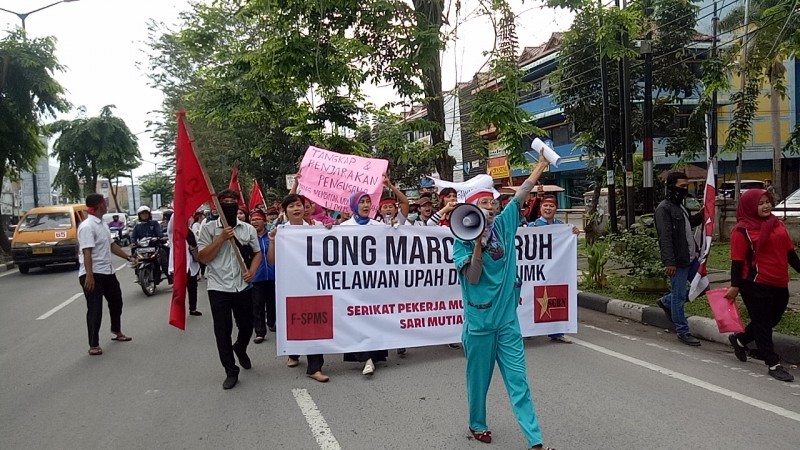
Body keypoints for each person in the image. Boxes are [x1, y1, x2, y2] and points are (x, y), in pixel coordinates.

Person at [453, 159, 554, 450]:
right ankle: (477, 423)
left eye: (491, 202)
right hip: (480, 323)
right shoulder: (460, 240)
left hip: (507, 320)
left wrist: (540, 166)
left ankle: (535, 442)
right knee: (479, 382)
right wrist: (477, 246)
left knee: (518, 382)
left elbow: (522, 192)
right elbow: (472, 278)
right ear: (471, 210)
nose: (489, 206)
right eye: (482, 202)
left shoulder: (506, 223)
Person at [725, 189, 797, 382]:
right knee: (764, 323)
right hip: (754, 283)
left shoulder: (777, 224)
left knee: (772, 318)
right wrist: (735, 286)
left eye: (768, 201)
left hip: (779, 280)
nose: (766, 206)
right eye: (760, 203)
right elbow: (737, 262)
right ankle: (773, 363)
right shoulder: (742, 230)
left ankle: (740, 340)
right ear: (750, 206)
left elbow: (790, 253)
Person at [197, 189, 263, 390]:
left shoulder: (248, 229)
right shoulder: (207, 229)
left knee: (246, 325)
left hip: (242, 286)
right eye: (224, 201)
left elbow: (257, 253)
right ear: (217, 205)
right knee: (222, 331)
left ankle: (240, 348)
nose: (229, 204)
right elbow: (203, 257)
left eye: (232, 201)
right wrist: (221, 239)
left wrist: (251, 271)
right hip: (218, 287)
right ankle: (230, 370)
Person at [267, 194, 329, 382]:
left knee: (316, 322)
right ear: (285, 211)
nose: (296, 209)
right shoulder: (281, 231)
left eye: (299, 205)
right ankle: (294, 353)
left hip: (314, 283)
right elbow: (272, 261)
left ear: (305, 208)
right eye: (291, 206)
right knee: (295, 320)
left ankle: (314, 367)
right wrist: (272, 241)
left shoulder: (316, 228)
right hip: (291, 285)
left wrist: (330, 230)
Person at [78, 194, 136, 356]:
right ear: (99, 205)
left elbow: (111, 246)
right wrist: (89, 276)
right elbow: (87, 252)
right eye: (104, 203)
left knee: (117, 301)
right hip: (92, 274)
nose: (106, 205)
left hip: (107, 272)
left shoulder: (102, 224)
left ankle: (116, 331)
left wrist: (128, 257)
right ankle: (94, 344)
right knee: (95, 309)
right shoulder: (87, 226)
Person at [340, 191, 389, 374]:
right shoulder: (344, 227)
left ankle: (374, 355)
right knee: (357, 318)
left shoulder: (379, 226)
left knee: (374, 317)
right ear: (354, 205)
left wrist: (394, 229)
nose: (366, 205)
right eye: (362, 202)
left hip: (375, 282)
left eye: (368, 202)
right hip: (353, 283)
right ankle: (365, 357)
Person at [654, 172, 704, 346]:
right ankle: (682, 330)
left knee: (703, 286)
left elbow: (689, 224)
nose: (685, 190)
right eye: (682, 186)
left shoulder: (681, 207)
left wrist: (703, 214)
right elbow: (665, 238)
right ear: (671, 186)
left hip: (690, 258)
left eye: (686, 186)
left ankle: (666, 301)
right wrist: (670, 262)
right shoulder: (663, 209)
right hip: (678, 261)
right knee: (680, 297)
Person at [529, 195, 580, 344]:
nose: (548, 209)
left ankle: (557, 332)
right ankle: (527, 329)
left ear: (556, 209)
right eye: (545, 206)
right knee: (530, 298)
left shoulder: (562, 227)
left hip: (554, 270)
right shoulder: (532, 227)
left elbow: (567, 245)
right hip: (536, 270)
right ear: (541, 208)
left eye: (551, 206)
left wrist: (573, 233)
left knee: (554, 299)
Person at [250, 209, 277, 343]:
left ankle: (271, 322)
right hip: (257, 277)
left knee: (272, 302)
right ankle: (260, 331)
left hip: (273, 275)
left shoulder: (272, 235)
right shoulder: (249, 238)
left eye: (257, 219)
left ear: (264, 221)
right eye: (253, 220)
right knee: (258, 305)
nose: (255, 222)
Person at [131, 206, 169, 283]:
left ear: (149, 214)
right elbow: (133, 237)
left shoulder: (154, 223)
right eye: (142, 214)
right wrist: (133, 242)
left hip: (154, 246)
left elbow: (159, 232)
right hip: (142, 248)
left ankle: (169, 275)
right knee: (134, 251)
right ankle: (137, 272)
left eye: (146, 213)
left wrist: (162, 237)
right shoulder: (137, 226)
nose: (144, 215)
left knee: (164, 254)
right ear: (139, 215)